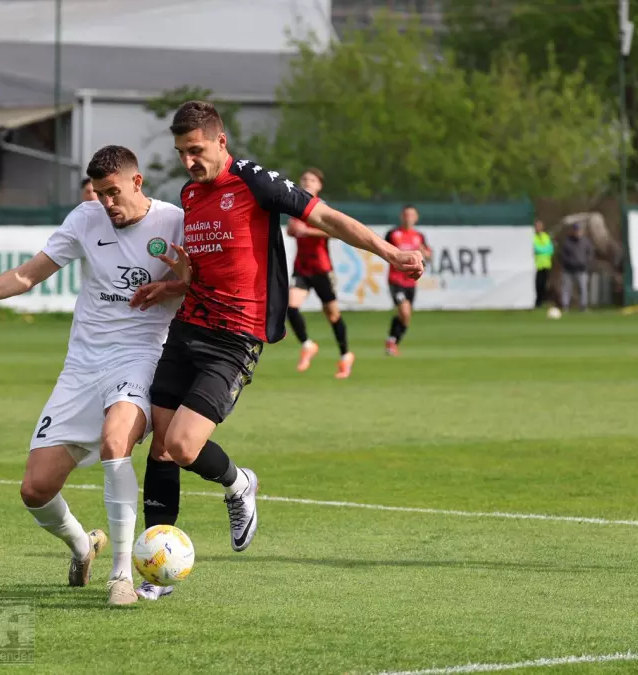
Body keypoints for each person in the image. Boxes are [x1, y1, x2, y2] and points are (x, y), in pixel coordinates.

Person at [128, 100, 424, 600]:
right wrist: (171, 287)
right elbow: (204, 271)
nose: (188, 162)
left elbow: (327, 218)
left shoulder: (254, 182)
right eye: (181, 153)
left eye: (195, 150)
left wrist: (391, 252)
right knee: (159, 447)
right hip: (187, 328)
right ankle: (156, 577)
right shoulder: (191, 194)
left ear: (221, 141)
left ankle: (239, 483)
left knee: (182, 445)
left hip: (233, 339)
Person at [0, 145, 187, 604]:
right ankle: (84, 546)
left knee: (115, 441)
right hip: (83, 365)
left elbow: (204, 283)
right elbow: (27, 276)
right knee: (35, 489)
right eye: (100, 194)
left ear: (137, 183)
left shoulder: (175, 221)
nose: (107, 203)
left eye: (114, 192)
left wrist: (182, 279)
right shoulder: (85, 219)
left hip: (140, 355)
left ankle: (121, 574)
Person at [285, 168, 354, 378]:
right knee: (291, 306)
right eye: (304, 179)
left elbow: (334, 231)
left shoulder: (322, 207)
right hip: (302, 267)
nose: (306, 182)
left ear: (319, 185)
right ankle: (307, 345)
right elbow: (291, 230)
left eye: (311, 180)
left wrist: (308, 231)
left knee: (332, 314)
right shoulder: (295, 205)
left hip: (321, 268)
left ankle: (345, 356)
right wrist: (293, 230)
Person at [384, 205, 431, 356]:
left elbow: (428, 255)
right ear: (401, 216)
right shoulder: (393, 234)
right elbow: (383, 250)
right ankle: (391, 343)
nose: (408, 217)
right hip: (396, 279)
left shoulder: (419, 236)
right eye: (406, 214)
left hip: (411, 281)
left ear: (416, 217)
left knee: (406, 317)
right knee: (404, 311)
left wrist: (425, 254)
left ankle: (392, 341)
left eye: (411, 215)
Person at [558, 222, 593, 311]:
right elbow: (562, 255)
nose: (577, 232)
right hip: (568, 270)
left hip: (582, 269)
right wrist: (569, 262)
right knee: (566, 288)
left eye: (579, 230)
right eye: (576, 230)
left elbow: (590, 254)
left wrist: (585, 263)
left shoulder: (586, 242)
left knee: (583, 288)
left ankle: (583, 306)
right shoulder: (567, 242)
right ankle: (565, 306)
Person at [533, 219, 554, 308]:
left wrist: (542, 250)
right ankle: (536, 302)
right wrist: (544, 250)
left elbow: (551, 249)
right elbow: (536, 249)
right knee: (537, 284)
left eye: (539, 226)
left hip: (546, 264)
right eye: (537, 226)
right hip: (537, 265)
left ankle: (541, 302)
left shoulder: (546, 236)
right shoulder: (532, 237)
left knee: (544, 285)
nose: (538, 228)